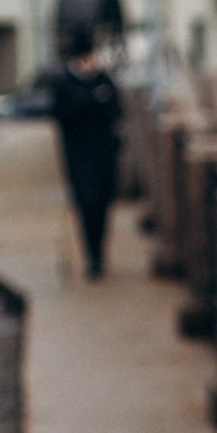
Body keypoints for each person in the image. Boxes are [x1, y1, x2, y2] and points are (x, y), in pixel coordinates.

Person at [48, 29, 123, 279]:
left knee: (102, 205)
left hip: (104, 153)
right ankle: (92, 257)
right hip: (78, 154)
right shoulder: (66, 83)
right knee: (86, 205)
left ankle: (100, 254)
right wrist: (91, 100)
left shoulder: (103, 79)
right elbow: (59, 114)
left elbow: (116, 111)